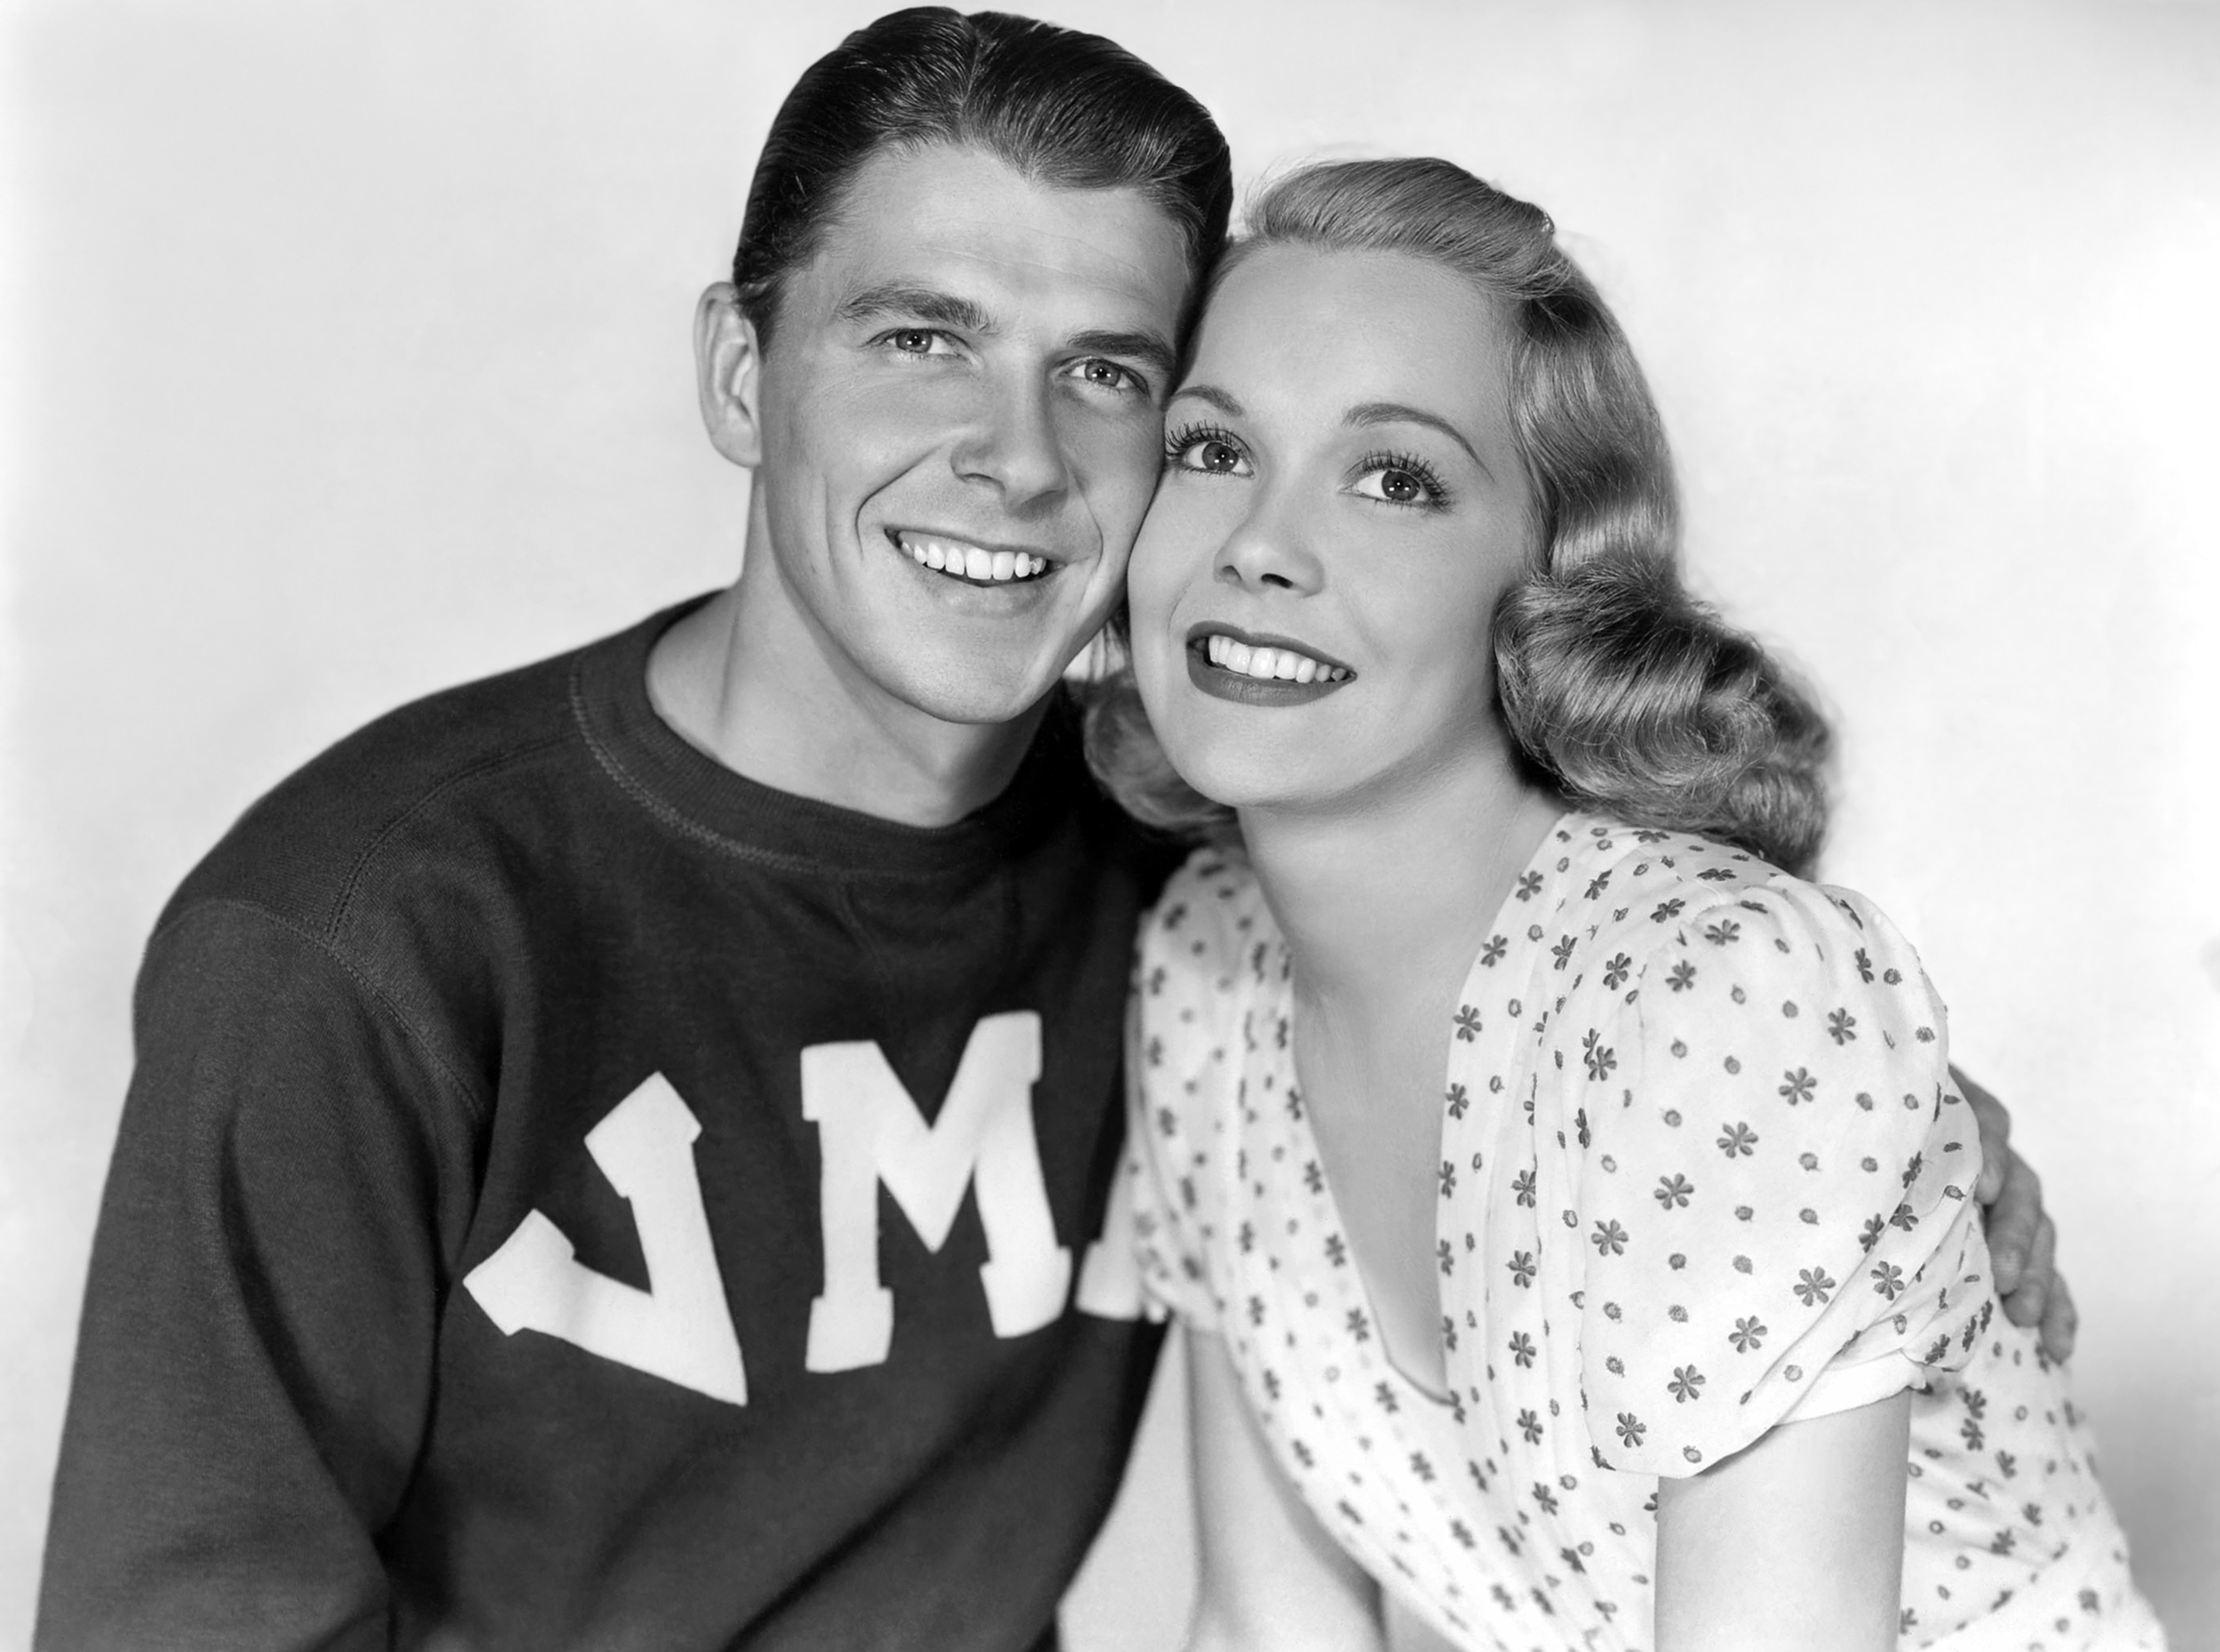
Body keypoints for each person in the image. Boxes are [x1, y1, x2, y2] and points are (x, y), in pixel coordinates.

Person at [37, 11, 2065, 1649]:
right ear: (743, 376)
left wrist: (1911, 1128)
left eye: (1106, 375)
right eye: (918, 339)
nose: (1011, 459)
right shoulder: (363, 937)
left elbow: (1613, 974)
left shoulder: (1193, 874)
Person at [1095, 158, 2161, 1649]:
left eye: (1396, 480)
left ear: (1545, 580)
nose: (1259, 546)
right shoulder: (1204, 966)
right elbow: (1266, 1628)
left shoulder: (1719, 999)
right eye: (1211, 452)